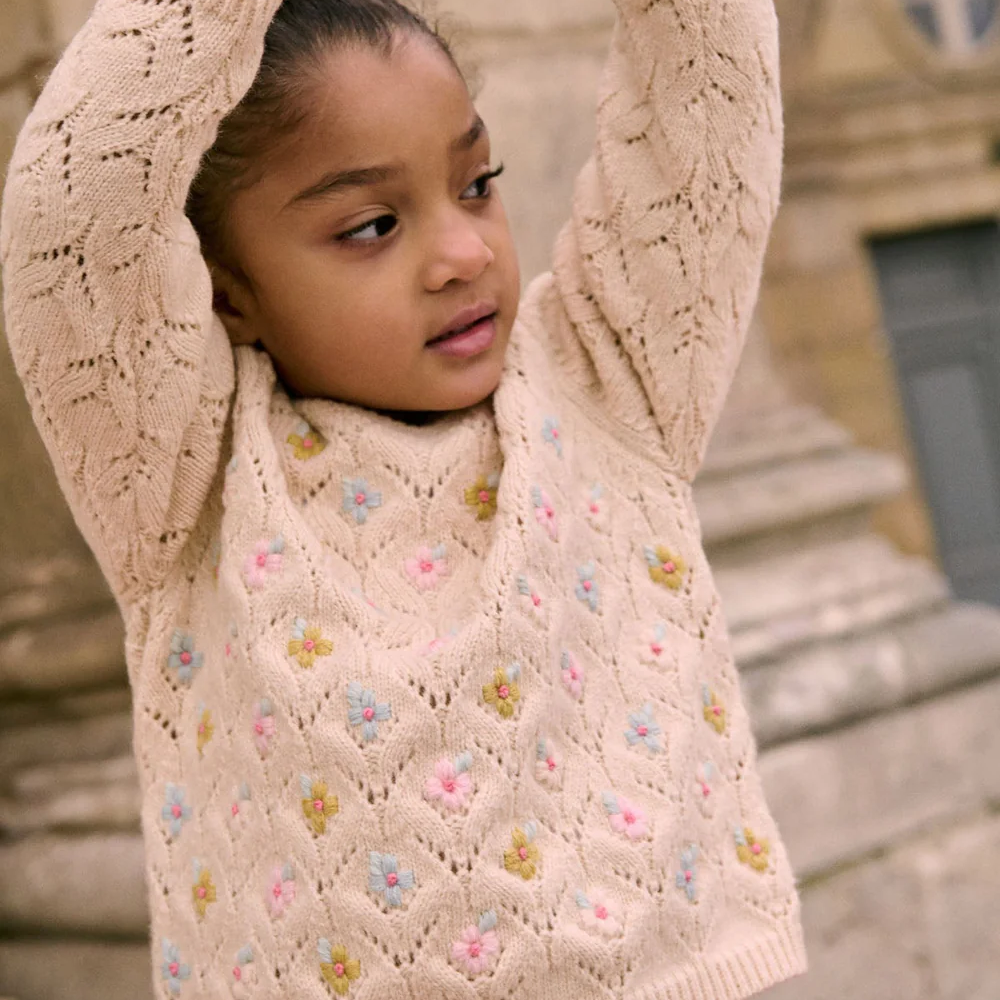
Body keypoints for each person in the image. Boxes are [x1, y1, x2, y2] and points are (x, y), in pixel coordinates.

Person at [1, 0, 807, 996]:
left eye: (477, 185)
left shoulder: (611, 381)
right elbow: (69, 216)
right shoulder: (183, 480)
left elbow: (706, 74)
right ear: (226, 292)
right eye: (371, 225)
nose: (463, 251)